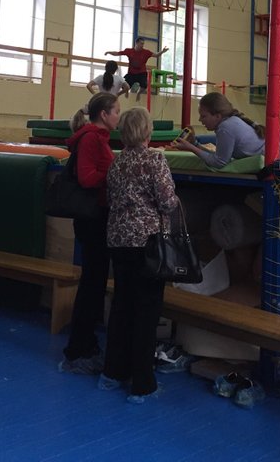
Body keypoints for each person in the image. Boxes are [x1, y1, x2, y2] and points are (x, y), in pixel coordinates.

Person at [98, 107, 178, 403]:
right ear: (148, 131)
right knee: (146, 311)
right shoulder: (154, 160)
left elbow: (111, 198)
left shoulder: (117, 162)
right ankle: (142, 383)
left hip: (118, 240)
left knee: (122, 306)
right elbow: (167, 202)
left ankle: (112, 372)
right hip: (148, 244)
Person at [58, 92, 121, 375]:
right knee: (91, 284)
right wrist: (116, 174)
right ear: (104, 114)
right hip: (92, 218)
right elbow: (87, 177)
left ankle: (87, 344)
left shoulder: (98, 138)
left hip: (97, 217)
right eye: (116, 111)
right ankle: (77, 350)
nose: (118, 116)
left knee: (95, 282)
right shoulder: (91, 138)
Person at [175, 91, 280, 169]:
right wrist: (195, 144)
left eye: (203, 116)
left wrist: (191, 148)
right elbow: (219, 157)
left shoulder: (225, 127)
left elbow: (219, 162)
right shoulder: (230, 122)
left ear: (217, 116)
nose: (200, 120)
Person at [105, 38, 169, 99]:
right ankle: (120, 94)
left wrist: (162, 51)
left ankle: (139, 93)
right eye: (141, 43)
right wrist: (109, 52)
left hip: (141, 73)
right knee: (125, 86)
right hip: (131, 73)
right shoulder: (129, 51)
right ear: (136, 43)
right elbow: (117, 53)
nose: (142, 45)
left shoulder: (146, 52)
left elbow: (156, 55)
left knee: (144, 85)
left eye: (143, 44)